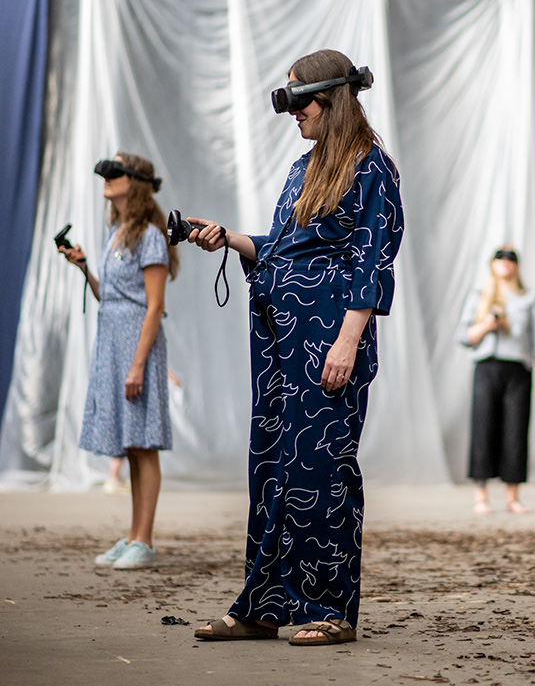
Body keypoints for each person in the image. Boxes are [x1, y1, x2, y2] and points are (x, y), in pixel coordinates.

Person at [187, 49, 402, 646]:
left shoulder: (371, 170)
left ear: (330, 98)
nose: (290, 113)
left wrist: (348, 341)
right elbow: (285, 249)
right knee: (272, 469)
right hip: (281, 342)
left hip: (329, 342)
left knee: (321, 471)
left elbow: (372, 261)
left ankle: (329, 609)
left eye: (296, 100)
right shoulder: (303, 169)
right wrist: (231, 238)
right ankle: (264, 604)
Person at [60, 153, 176, 569]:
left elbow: (154, 306)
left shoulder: (150, 236)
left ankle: (144, 541)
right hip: (112, 344)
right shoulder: (116, 232)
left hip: (136, 348)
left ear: (137, 182)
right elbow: (109, 297)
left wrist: (138, 364)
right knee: (130, 445)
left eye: (117, 173)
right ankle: (132, 536)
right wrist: (86, 268)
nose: (107, 180)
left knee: (144, 445)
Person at [457, 246, 535, 514]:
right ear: (492, 263)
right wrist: (486, 324)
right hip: (487, 367)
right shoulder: (480, 297)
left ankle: (512, 496)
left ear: (517, 265)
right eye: (500, 256)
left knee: (516, 430)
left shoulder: (529, 299)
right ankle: (480, 495)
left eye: (511, 258)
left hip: (518, 370)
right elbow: (464, 336)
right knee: (483, 428)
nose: (505, 262)